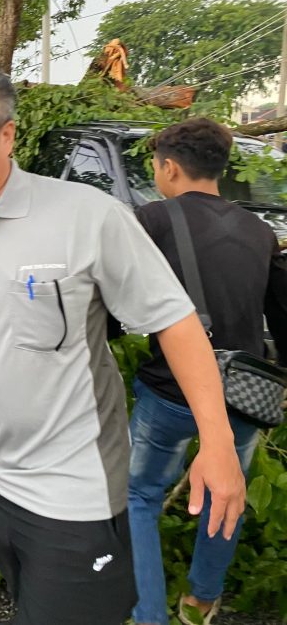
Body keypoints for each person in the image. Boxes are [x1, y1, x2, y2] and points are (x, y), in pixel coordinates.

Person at [0, 62, 246, 625]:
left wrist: (218, 440)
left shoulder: (88, 217)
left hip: (76, 492)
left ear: (6, 134)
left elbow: (174, 321)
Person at [127, 118, 287, 625]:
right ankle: (201, 600)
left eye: (156, 165)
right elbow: (281, 313)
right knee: (225, 493)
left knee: (139, 496)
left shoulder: (151, 220)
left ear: (169, 167)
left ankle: (148, 613)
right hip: (242, 392)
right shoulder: (261, 232)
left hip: (169, 392)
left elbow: (117, 301)